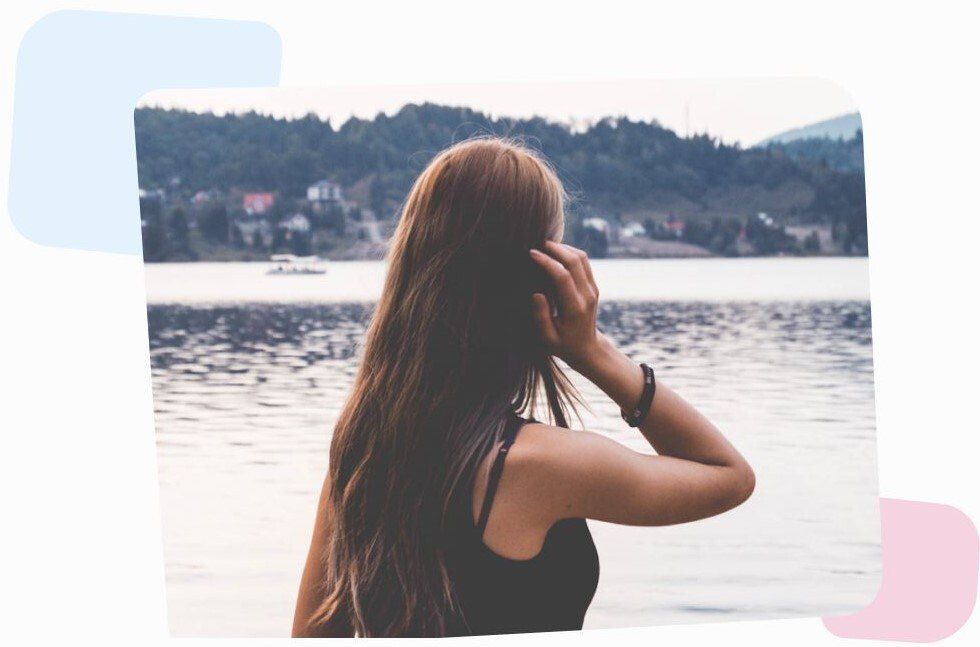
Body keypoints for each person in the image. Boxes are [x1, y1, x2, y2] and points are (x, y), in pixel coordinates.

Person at [292, 137, 755, 637]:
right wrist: (595, 352)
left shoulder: (362, 452)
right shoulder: (541, 466)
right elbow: (728, 476)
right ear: (542, 282)